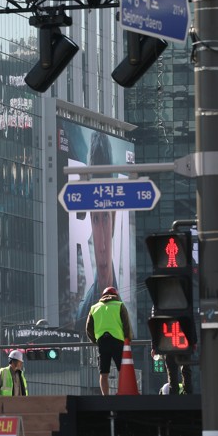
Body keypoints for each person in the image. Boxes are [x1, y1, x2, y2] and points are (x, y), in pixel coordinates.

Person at [75, 132, 119, 331]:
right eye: (95, 219)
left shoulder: (126, 309)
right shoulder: (81, 316)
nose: (101, 244)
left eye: (105, 219)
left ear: (114, 218)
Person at [85, 286, 133, 395]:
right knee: (122, 371)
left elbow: (88, 328)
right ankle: (123, 393)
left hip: (102, 342)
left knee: (104, 373)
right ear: (116, 295)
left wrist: (95, 340)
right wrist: (128, 339)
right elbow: (126, 325)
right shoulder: (119, 305)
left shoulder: (94, 308)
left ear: (103, 296)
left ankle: (105, 397)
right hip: (118, 341)